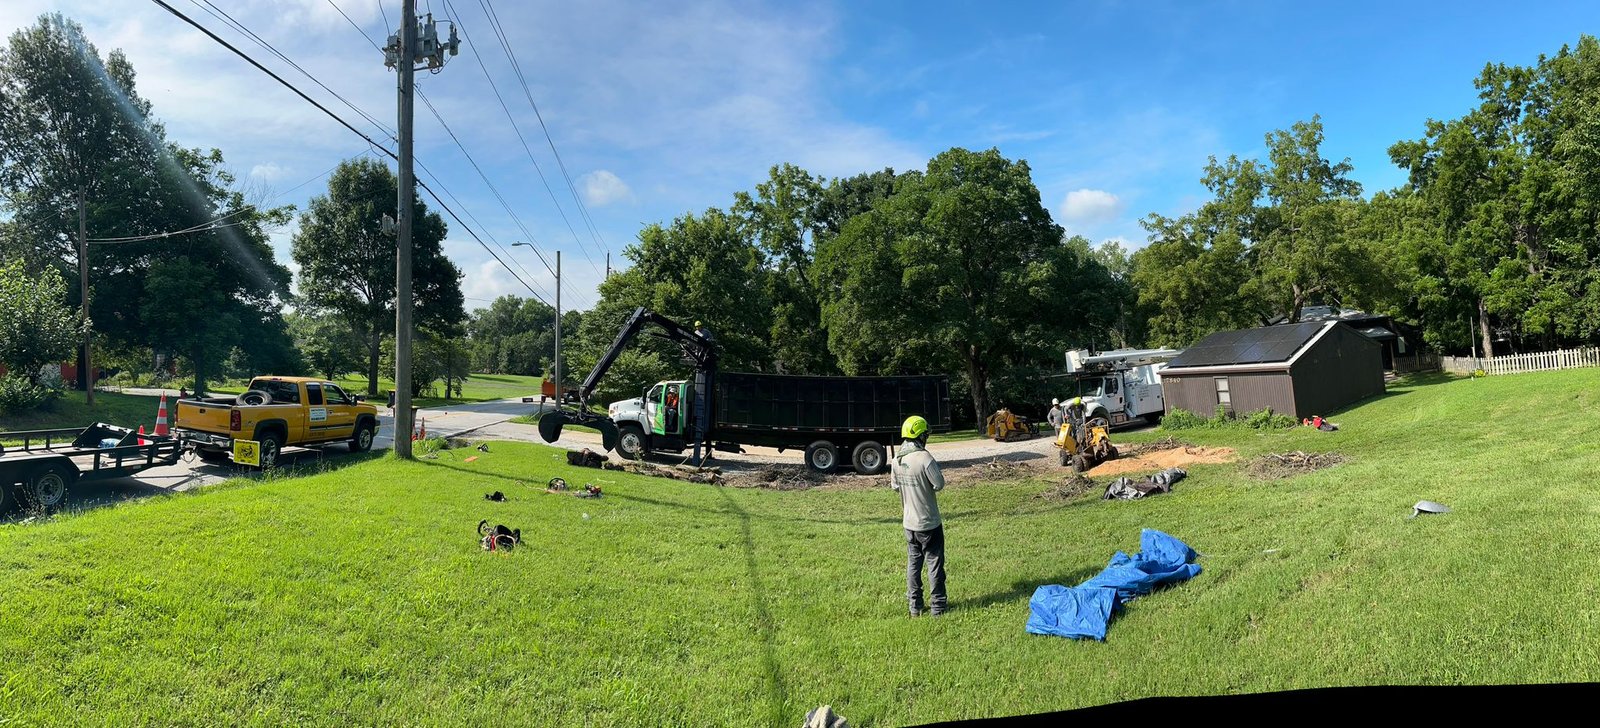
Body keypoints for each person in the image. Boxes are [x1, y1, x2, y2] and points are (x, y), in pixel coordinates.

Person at [891, 415, 947, 616]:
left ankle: (915, 606)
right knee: (934, 564)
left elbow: (895, 486)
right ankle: (938, 607)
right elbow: (939, 484)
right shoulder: (925, 458)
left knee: (913, 565)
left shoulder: (897, 460)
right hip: (929, 522)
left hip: (909, 524)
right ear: (921, 436)